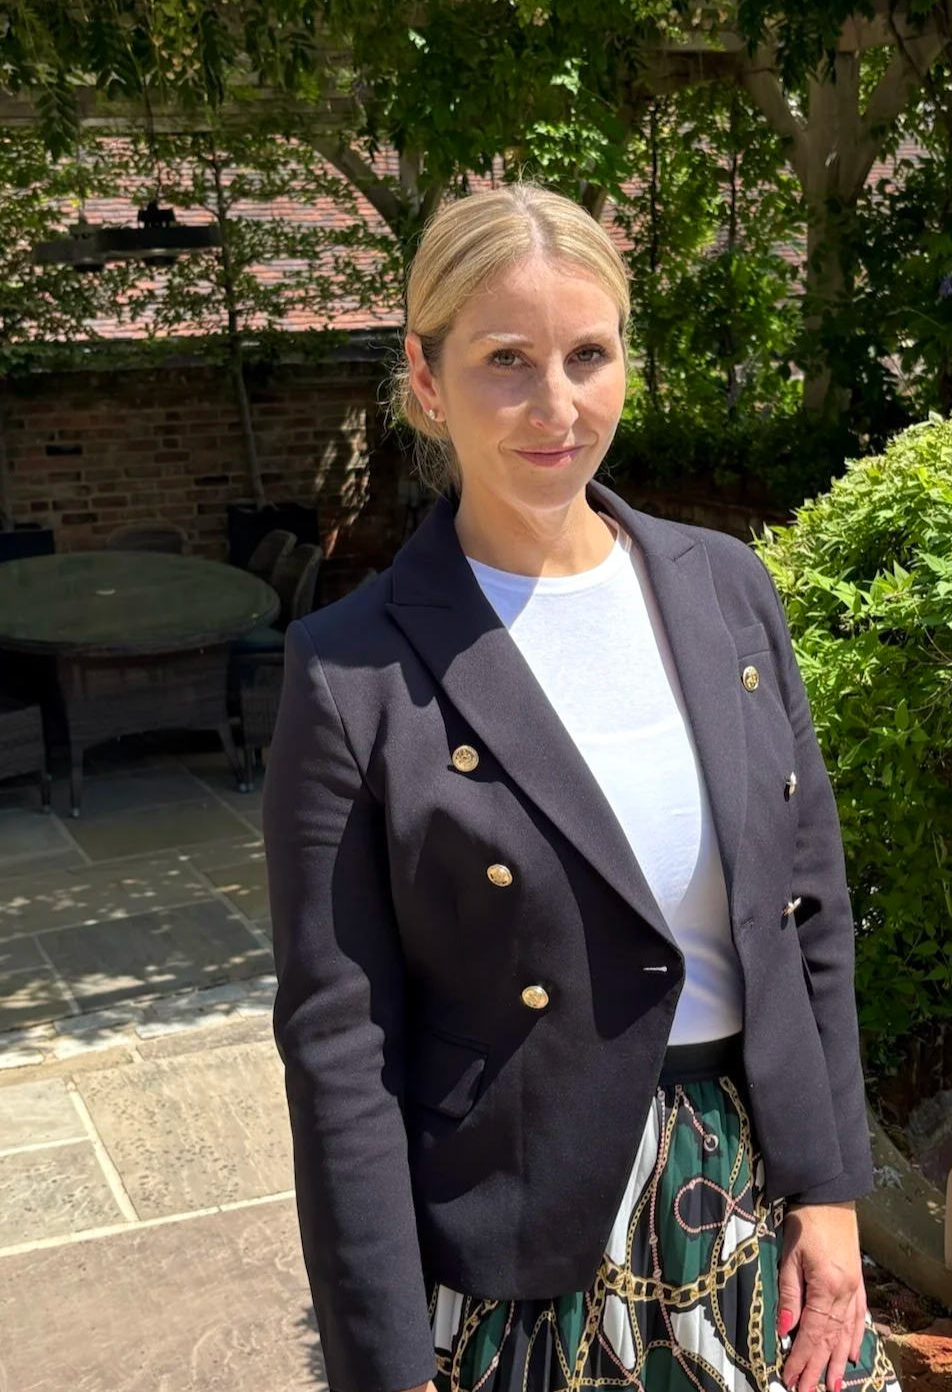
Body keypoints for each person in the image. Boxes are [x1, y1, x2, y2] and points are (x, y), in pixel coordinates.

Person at [262, 180, 901, 1392]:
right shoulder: (352, 669)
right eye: (506, 360)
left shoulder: (724, 587)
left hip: (744, 1199)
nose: (556, 407)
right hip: (522, 1237)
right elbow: (341, 1049)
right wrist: (382, 1363)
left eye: (587, 355)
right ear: (425, 378)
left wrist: (828, 1195)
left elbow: (807, 913)